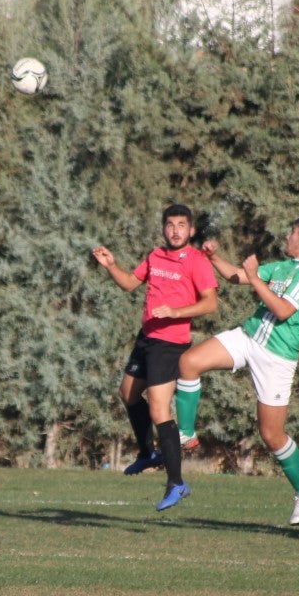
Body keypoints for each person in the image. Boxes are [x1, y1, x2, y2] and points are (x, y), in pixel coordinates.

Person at [174, 216, 299, 525]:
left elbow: (284, 311)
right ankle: (186, 433)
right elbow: (238, 276)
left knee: (271, 435)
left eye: (293, 231)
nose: (287, 235)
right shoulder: (283, 266)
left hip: (276, 357)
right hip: (248, 337)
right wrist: (213, 257)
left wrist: (255, 278)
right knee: (188, 362)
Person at [92, 204, 218, 511]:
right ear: (164, 228)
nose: (175, 230)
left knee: (160, 410)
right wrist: (111, 265)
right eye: (170, 224)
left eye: (181, 225)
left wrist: (175, 312)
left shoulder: (197, 261)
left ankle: (177, 482)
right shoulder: (155, 255)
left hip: (170, 344)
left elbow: (210, 303)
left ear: (191, 230)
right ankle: (148, 452)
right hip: (146, 338)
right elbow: (130, 284)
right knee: (128, 393)